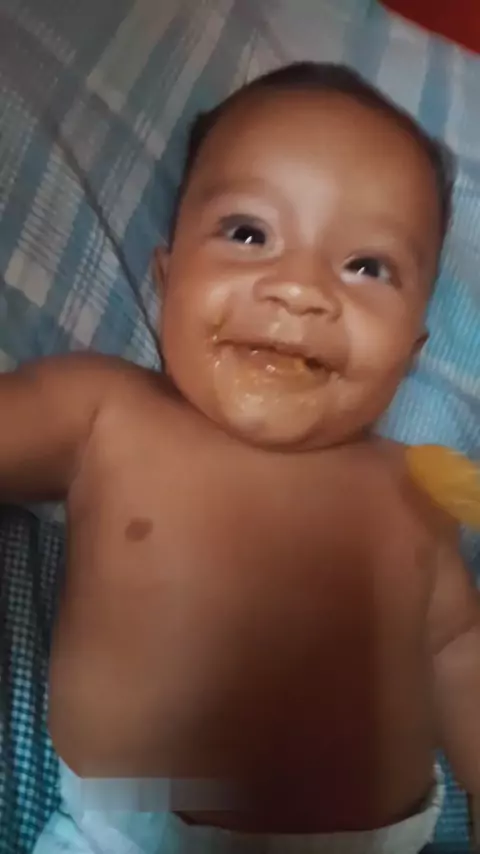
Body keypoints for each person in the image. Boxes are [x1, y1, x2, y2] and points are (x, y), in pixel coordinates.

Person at [1, 62, 478, 854]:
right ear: (166, 277)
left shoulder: (412, 489)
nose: (299, 290)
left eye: (367, 267)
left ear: (413, 348)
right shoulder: (105, 412)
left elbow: (456, 648)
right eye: (249, 234)